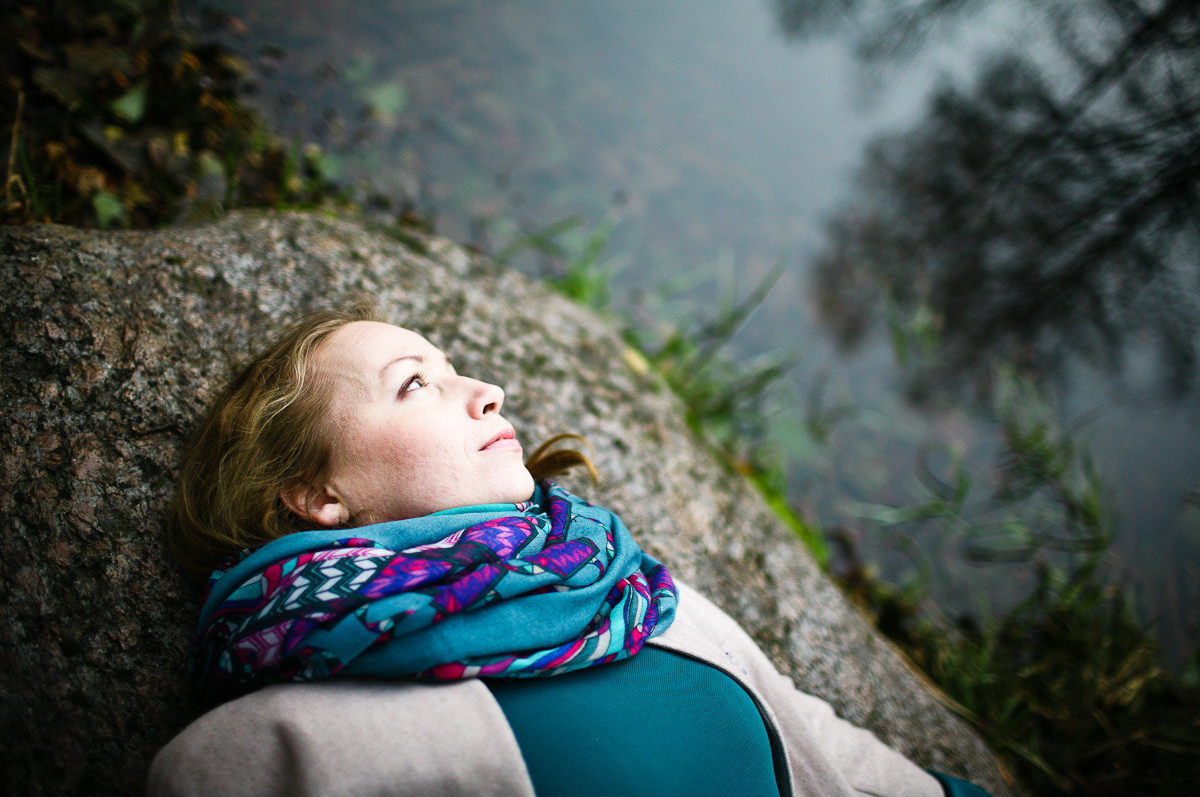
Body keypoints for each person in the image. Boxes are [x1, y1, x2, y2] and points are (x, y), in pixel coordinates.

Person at [149, 305, 993, 797]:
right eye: (416, 384)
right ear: (316, 494)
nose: (486, 392)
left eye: (455, 369)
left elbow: (816, 739)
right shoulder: (270, 754)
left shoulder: (630, 593)